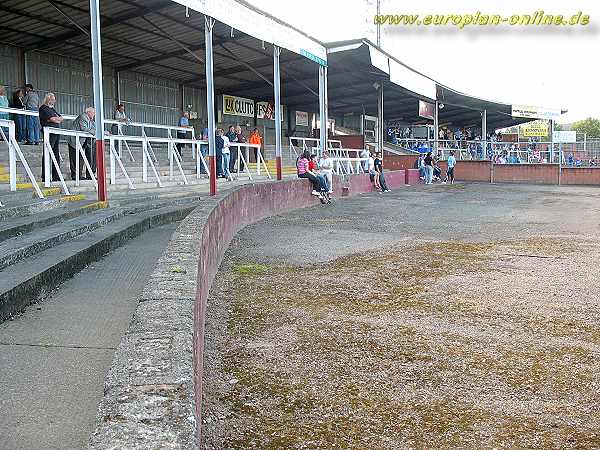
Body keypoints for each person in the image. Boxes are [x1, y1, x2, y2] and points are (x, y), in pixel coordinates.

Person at [39, 93, 64, 181]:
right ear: (48, 100)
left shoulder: (52, 109)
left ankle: (56, 176)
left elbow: (61, 118)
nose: (54, 101)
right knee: (47, 154)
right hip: (49, 133)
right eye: (52, 100)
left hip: (56, 133)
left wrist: (54, 119)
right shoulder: (43, 108)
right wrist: (53, 119)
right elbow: (53, 119)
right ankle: (45, 176)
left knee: (56, 154)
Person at [68, 107, 96, 180]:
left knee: (81, 159)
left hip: (81, 141)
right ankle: (75, 176)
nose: (94, 114)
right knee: (75, 158)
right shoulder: (83, 117)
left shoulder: (90, 119)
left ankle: (80, 176)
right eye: (93, 113)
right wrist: (94, 132)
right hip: (74, 140)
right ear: (89, 112)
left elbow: (95, 128)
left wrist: (103, 132)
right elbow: (84, 129)